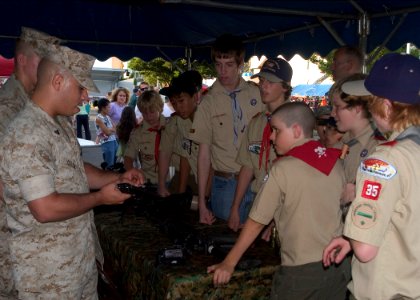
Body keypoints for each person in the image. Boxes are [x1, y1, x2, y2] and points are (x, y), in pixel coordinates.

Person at [0, 43, 144, 299]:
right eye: (81, 87)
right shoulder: (28, 133)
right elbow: (45, 208)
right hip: (46, 276)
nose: (86, 97)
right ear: (57, 81)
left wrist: (118, 178)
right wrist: (101, 198)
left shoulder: (59, 123)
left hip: (76, 264)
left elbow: (76, 170)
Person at [208, 102, 350, 299]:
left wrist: (229, 263)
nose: (271, 137)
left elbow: (256, 222)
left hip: (301, 272)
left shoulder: (283, 169)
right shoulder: (335, 162)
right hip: (338, 266)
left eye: (276, 130)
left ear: (296, 130)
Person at [323, 53, 420, 299]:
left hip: (388, 290)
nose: (369, 107)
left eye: (371, 101)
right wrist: (351, 238)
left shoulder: (382, 161)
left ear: (386, 107)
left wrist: (356, 234)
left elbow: (365, 251)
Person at [0, 26, 61, 299]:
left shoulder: (35, 105)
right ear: (22, 60)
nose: (48, 64)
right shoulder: (7, 108)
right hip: (13, 235)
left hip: (36, 232)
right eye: (41, 57)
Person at [189, 34, 264, 224]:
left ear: (240, 64)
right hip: (225, 184)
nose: (223, 71)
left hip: (258, 182)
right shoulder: (208, 102)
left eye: (229, 64)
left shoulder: (259, 95)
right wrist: (203, 204)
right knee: (226, 243)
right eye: (218, 64)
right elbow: (204, 156)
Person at [227, 57, 293, 232]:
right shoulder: (257, 123)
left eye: (270, 82)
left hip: (286, 208)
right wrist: (235, 207)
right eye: (262, 80)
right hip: (257, 202)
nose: (263, 86)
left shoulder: (297, 123)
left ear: (285, 86)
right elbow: (247, 167)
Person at [330, 73, 381, 206]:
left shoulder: (378, 149)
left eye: (338, 107)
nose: (332, 113)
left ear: (357, 108)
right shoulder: (341, 144)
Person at [158, 70, 202, 197]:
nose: (178, 107)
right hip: (186, 175)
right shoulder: (179, 121)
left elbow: (211, 164)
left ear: (195, 96)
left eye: (181, 101)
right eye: (174, 103)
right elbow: (183, 156)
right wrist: (179, 191)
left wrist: (204, 196)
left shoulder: (209, 119)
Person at [124, 90, 166, 184]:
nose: (149, 117)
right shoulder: (138, 132)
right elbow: (128, 157)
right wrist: (133, 175)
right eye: (144, 113)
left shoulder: (171, 126)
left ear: (160, 108)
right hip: (148, 181)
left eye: (152, 112)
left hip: (171, 181)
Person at [94, 98, 118, 169]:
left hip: (113, 141)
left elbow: (115, 128)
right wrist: (110, 130)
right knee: (109, 164)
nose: (110, 109)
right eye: (108, 107)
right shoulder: (98, 118)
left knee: (114, 162)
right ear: (103, 108)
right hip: (107, 142)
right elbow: (107, 133)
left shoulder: (108, 117)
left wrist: (109, 130)